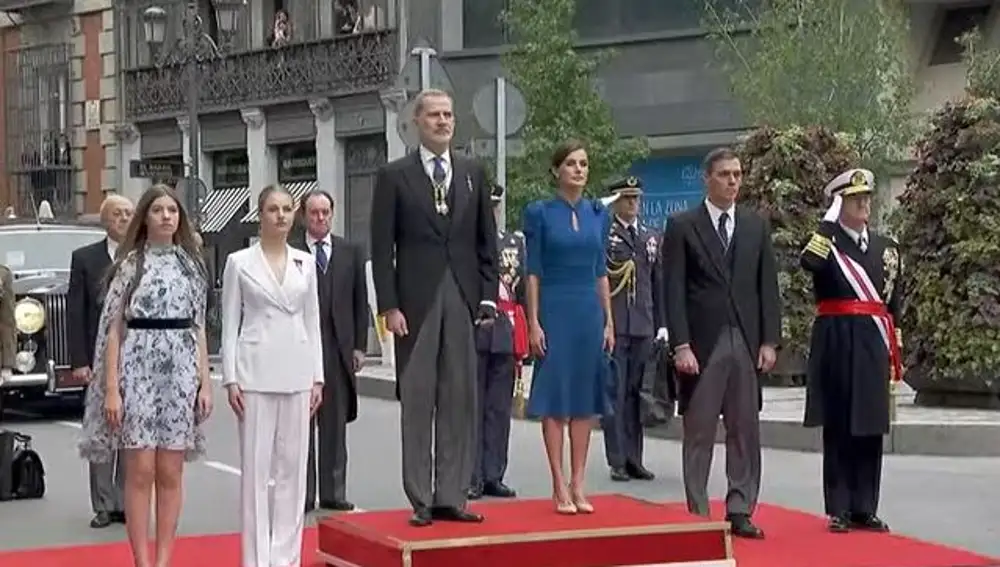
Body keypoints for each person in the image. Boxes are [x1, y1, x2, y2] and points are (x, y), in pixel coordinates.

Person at [370, 88, 499, 527]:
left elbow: (487, 241)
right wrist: (389, 305)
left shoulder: (471, 173)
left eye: (448, 115)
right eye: (434, 116)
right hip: (416, 302)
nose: (443, 122)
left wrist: (487, 294)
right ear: (416, 123)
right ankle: (421, 497)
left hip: (462, 296)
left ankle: (452, 495)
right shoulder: (394, 176)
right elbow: (381, 245)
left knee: (459, 398)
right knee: (419, 398)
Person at [78, 184, 211, 567]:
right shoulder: (129, 265)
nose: (167, 216)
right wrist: (111, 389)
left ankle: (165, 558)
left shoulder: (192, 265)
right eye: (158, 210)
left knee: (170, 470)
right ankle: (141, 560)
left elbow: (199, 327)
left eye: (173, 210)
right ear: (146, 218)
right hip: (137, 369)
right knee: (140, 471)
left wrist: (204, 380)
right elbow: (114, 329)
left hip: (180, 372)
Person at [662, 147, 781, 539]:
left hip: (744, 339)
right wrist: (680, 344)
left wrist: (769, 341)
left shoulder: (754, 225)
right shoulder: (682, 225)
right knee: (699, 430)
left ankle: (740, 507)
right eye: (725, 174)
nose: (733, 181)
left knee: (744, 427)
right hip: (703, 340)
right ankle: (696, 509)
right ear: (707, 179)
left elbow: (767, 287)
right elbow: (673, 289)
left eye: (738, 174)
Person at [221, 185, 324, 567]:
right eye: (272, 209)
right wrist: (230, 378)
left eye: (285, 209)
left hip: (297, 369)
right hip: (255, 372)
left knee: (293, 472)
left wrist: (318, 377)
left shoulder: (305, 262)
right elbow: (231, 322)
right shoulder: (239, 262)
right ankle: (256, 559)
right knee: (256, 471)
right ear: (260, 215)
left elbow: (312, 319)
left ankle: (286, 557)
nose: (280, 216)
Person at [800, 168, 901, 534]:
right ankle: (839, 507)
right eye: (854, 198)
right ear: (839, 203)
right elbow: (808, 264)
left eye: (867, 197)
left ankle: (865, 506)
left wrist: (895, 346)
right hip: (837, 339)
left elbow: (894, 302)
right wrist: (826, 226)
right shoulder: (827, 246)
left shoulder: (886, 248)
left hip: (873, 341)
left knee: (870, 425)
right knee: (841, 424)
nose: (864, 204)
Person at [523, 140, 615, 515]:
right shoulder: (539, 212)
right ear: (557, 170)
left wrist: (609, 319)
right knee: (557, 398)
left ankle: (579, 481)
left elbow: (601, 270)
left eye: (584, 164)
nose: (579, 170)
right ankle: (558, 483)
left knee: (584, 398)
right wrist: (533, 321)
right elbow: (533, 271)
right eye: (572, 164)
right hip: (555, 308)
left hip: (589, 312)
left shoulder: (598, 213)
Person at [67, 194, 134, 529]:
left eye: (128, 214)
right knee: (101, 428)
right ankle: (104, 503)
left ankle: (125, 501)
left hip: (135, 357)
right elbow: (75, 312)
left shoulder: (143, 257)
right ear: (106, 220)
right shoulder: (85, 258)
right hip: (96, 355)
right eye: (118, 214)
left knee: (129, 430)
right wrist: (79, 360)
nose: (124, 218)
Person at [300, 189, 368, 513]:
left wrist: (359, 346)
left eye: (325, 212)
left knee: (334, 425)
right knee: (303, 426)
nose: (320, 218)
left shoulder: (350, 251)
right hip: (302, 347)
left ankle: (333, 491)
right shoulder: (293, 251)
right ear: (305, 216)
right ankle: (304, 494)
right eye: (314, 213)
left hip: (338, 348)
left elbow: (359, 300)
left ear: (332, 213)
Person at [601, 176, 666, 483]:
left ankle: (634, 457)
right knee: (615, 393)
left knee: (636, 395)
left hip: (643, 323)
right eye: (626, 199)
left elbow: (657, 283)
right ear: (616, 202)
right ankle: (617, 460)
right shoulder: (606, 234)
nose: (632, 204)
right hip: (616, 323)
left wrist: (662, 324)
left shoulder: (650, 236)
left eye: (636, 199)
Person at [468, 183, 527, 501]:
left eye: (494, 207)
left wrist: (528, 332)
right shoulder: (464, 243)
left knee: (499, 408)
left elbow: (522, 293)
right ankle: (472, 475)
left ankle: (494, 474)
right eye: (486, 206)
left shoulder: (514, 243)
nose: (491, 212)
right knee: (473, 407)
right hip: (474, 329)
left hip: (505, 332)